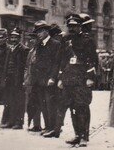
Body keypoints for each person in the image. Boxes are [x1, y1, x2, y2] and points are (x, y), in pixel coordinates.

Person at [57, 14, 98, 147]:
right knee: (72, 107)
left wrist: (90, 78)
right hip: (69, 79)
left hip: (82, 79)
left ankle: (84, 137)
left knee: (82, 107)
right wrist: (61, 78)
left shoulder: (87, 40)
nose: (72, 28)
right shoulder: (66, 40)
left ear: (80, 26)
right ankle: (77, 135)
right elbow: (62, 60)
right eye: (70, 26)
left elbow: (92, 60)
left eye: (74, 26)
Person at [29, 20, 61, 138]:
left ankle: (53, 128)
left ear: (47, 31)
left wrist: (53, 77)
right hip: (39, 80)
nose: (38, 34)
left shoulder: (55, 44)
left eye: (40, 31)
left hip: (49, 79)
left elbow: (56, 63)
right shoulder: (39, 44)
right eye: (37, 32)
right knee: (43, 104)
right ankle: (48, 126)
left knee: (51, 104)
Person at [0, 28, 28, 129]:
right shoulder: (9, 49)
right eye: (12, 37)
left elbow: (26, 66)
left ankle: (18, 122)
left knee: (19, 101)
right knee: (9, 100)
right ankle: (9, 121)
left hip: (18, 79)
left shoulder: (24, 49)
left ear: (19, 38)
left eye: (15, 37)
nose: (13, 39)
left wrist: (24, 79)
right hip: (9, 78)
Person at [24, 32, 42, 132]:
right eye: (30, 39)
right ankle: (36, 124)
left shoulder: (41, 51)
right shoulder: (31, 52)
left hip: (39, 81)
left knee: (41, 103)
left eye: (33, 39)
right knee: (33, 103)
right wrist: (26, 78)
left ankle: (50, 125)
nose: (31, 41)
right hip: (31, 81)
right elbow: (27, 67)